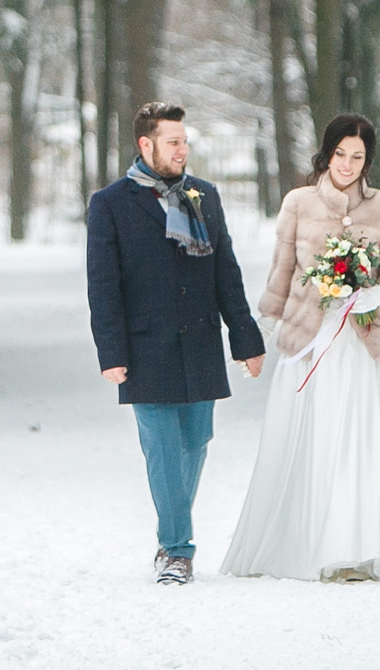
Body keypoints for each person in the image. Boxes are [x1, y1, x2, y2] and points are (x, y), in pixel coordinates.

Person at [220, 111, 380, 582]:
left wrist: (379, 294)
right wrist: (263, 330)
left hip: (364, 342)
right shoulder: (298, 203)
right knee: (316, 439)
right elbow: (282, 271)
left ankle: (356, 549)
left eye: (358, 156)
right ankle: (313, 546)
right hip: (310, 341)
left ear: (368, 159)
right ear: (326, 154)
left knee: (359, 442)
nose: (348, 165)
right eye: (340, 154)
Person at [86, 101, 267, 586]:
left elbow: (226, 271)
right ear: (146, 145)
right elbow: (102, 285)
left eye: (184, 141)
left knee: (194, 443)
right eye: (173, 142)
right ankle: (178, 549)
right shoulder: (110, 203)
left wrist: (245, 339)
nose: (182, 150)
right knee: (163, 449)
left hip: (201, 341)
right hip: (145, 348)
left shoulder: (202, 195)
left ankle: (171, 536)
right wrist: (112, 354)